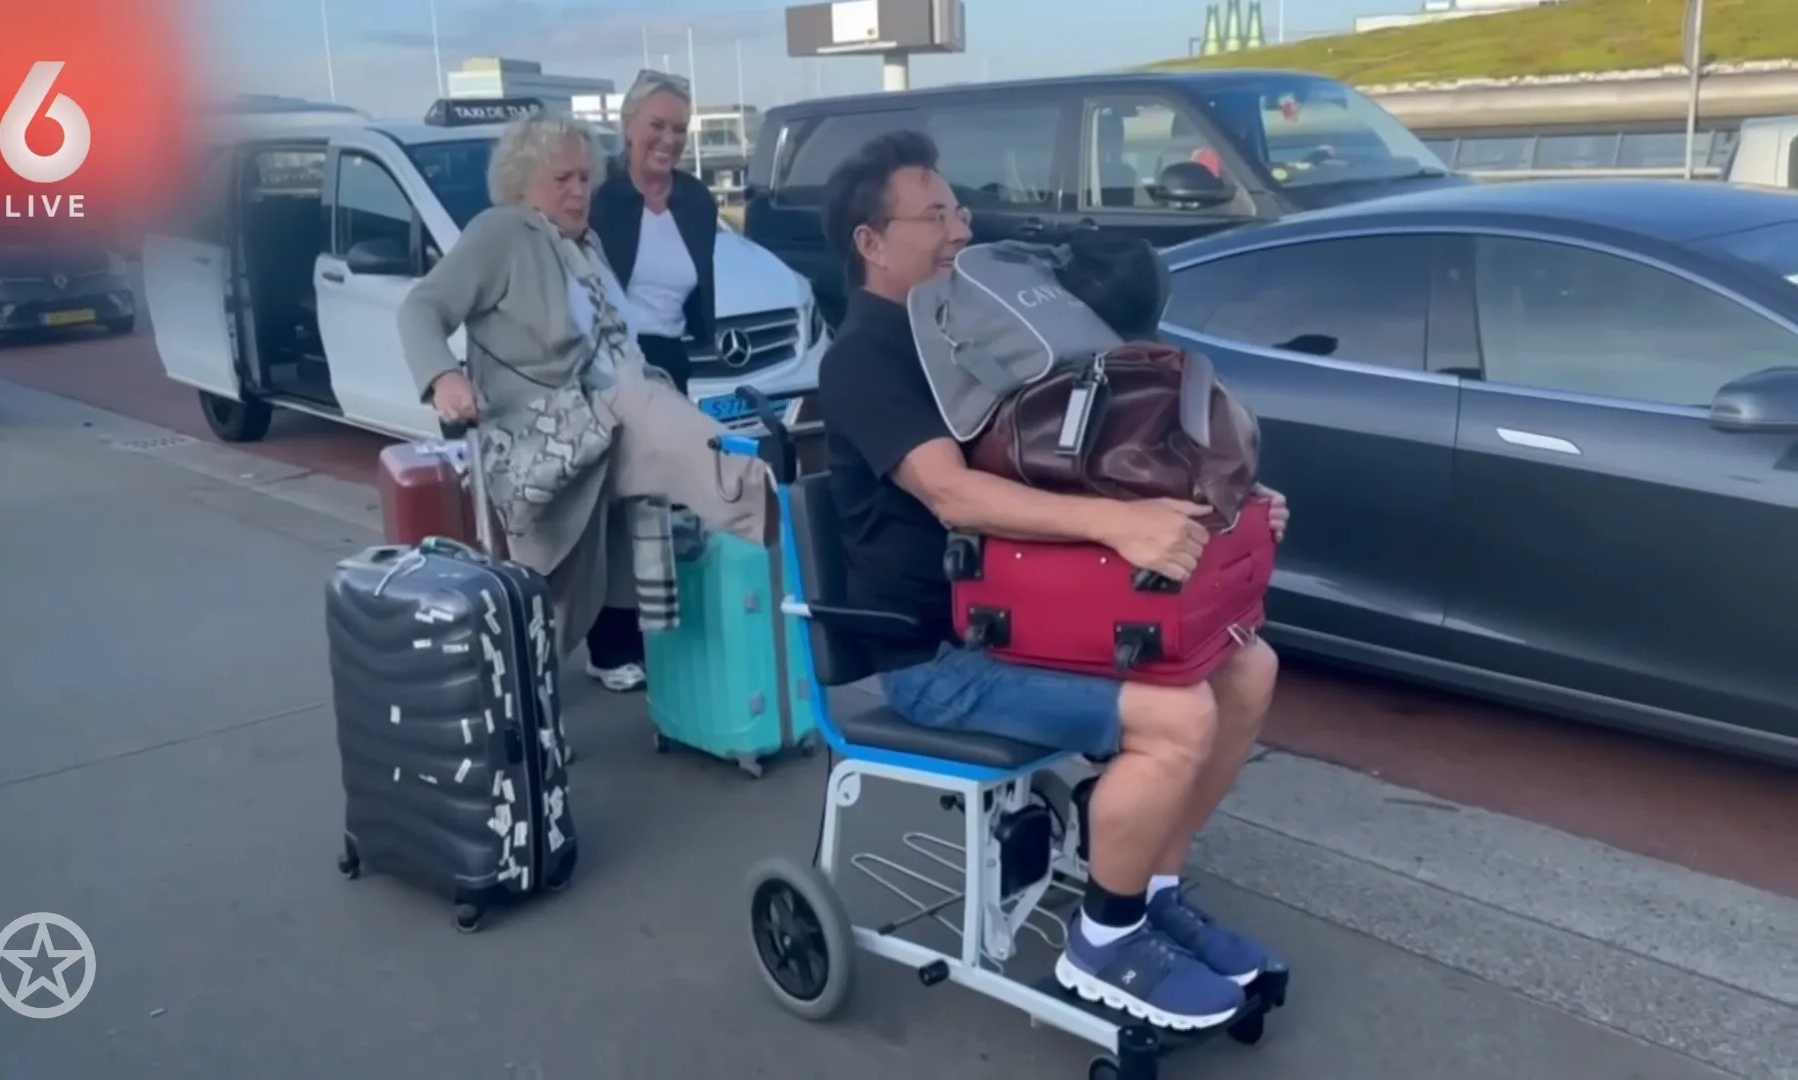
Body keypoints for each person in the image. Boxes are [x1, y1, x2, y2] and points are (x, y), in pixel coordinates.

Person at [815, 131, 1289, 1031]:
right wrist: (1123, 525)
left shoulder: (969, 327)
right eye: (935, 215)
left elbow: (1087, 456)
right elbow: (953, 495)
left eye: (958, 208)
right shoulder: (867, 359)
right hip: (937, 656)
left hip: (1021, 615)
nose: (960, 229)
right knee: (1177, 714)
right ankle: (1102, 944)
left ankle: (1149, 891)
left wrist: (1229, 498)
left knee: (1247, 669)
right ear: (871, 244)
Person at [396, 112, 769, 683]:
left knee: (623, 510)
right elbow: (422, 307)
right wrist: (442, 377)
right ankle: (775, 520)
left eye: (583, 179)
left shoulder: (583, 245)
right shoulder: (501, 232)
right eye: (562, 179)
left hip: (599, 418)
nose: (579, 192)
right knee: (652, 426)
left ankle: (609, 649)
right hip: (543, 427)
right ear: (524, 183)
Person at [582, 68, 722, 693]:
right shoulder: (600, 200)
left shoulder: (696, 199)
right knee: (618, 505)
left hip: (670, 359)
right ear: (627, 128)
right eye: (656, 126)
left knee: (667, 500)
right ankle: (608, 646)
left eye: (679, 130)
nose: (668, 140)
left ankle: (657, 631)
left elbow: (698, 279)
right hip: (610, 362)